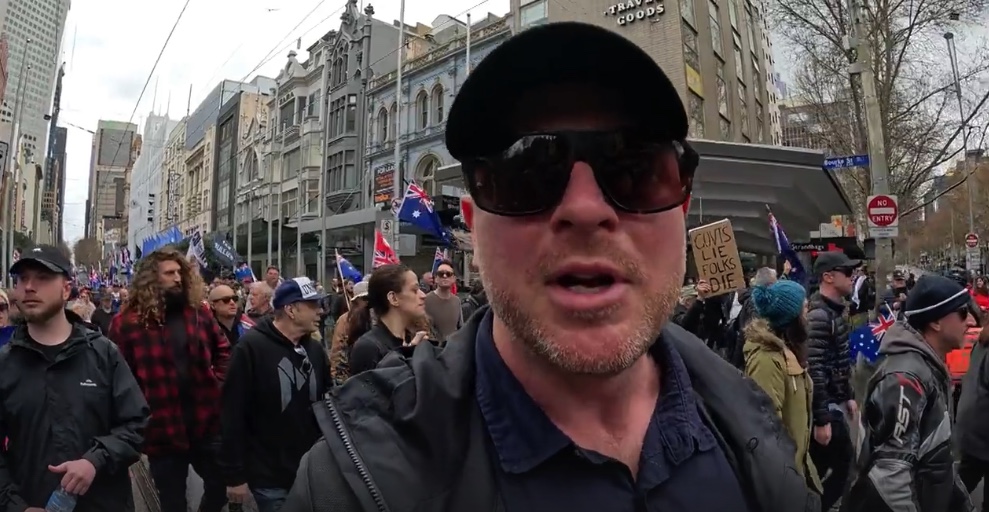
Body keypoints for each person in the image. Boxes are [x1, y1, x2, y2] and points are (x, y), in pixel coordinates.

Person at [282, 22, 817, 512]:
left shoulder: (748, 419)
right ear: (474, 226)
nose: (584, 209)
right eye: (527, 174)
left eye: (633, 171)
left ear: (681, 208)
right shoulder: (347, 485)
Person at [0, 245, 150, 511]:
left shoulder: (103, 353)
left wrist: (95, 460)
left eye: (43, 277)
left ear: (66, 289)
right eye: (22, 278)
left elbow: (136, 424)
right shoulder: (5, 364)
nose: (29, 287)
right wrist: (15, 505)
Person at [108, 248, 231, 512]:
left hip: (205, 422)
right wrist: (137, 413)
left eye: (179, 272)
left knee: (221, 486)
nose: (177, 278)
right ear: (152, 278)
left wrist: (217, 385)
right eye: (170, 273)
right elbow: (118, 376)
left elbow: (223, 351)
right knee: (172, 501)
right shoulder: (127, 322)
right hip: (162, 429)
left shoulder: (197, 312)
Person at [844, 275, 974, 512]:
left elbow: (940, 459)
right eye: (963, 313)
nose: (971, 321)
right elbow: (892, 476)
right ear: (936, 322)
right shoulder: (905, 379)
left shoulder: (928, 368)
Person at [220, 277, 332, 512]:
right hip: (269, 476)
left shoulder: (315, 350)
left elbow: (327, 403)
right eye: (312, 305)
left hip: (311, 472)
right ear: (291, 310)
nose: (320, 311)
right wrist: (234, 475)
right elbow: (232, 414)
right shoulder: (250, 348)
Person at [743, 280, 822, 495]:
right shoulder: (767, 361)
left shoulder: (789, 352)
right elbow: (766, 428)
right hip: (784, 481)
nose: (808, 315)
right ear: (792, 318)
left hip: (798, 471)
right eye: (804, 308)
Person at [806, 250, 859, 511]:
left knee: (826, 469)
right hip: (826, 408)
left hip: (832, 404)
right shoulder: (819, 316)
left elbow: (837, 360)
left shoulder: (833, 312)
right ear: (828, 277)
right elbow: (814, 368)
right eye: (847, 272)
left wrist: (847, 394)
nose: (852, 277)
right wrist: (822, 419)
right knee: (842, 467)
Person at [347, 265, 429, 376]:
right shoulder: (368, 348)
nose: (423, 295)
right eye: (414, 290)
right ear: (393, 298)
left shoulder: (415, 338)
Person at [328, 280, 371, 385]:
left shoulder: (377, 318)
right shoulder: (345, 320)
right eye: (364, 299)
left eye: (370, 299)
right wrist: (335, 373)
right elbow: (337, 348)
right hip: (349, 375)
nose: (368, 302)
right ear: (356, 300)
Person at [424, 259, 463, 341]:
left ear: (453, 279)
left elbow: (460, 328)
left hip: (452, 346)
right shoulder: (426, 300)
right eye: (441, 274)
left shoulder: (457, 301)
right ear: (436, 278)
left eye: (448, 274)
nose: (445, 276)